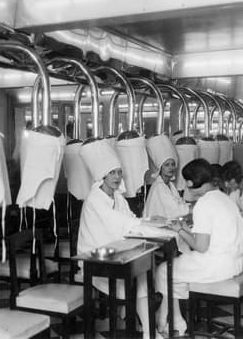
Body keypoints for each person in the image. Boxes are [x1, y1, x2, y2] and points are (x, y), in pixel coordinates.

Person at [78, 138, 167, 339]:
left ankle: (148, 331)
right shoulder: (94, 200)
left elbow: (130, 220)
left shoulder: (117, 196)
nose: (117, 177)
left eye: (119, 172)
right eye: (112, 173)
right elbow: (122, 224)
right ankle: (145, 327)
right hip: (95, 259)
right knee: (138, 277)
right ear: (102, 176)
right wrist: (153, 226)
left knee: (142, 275)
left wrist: (151, 220)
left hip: (117, 252)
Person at [155, 158, 243, 336]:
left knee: (163, 270)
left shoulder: (204, 204)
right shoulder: (223, 197)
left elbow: (201, 246)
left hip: (215, 266)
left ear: (192, 183)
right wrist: (182, 229)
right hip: (234, 262)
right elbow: (206, 238)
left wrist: (181, 231)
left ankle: (167, 321)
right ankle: (176, 320)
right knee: (176, 269)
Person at [144, 135, 190, 251]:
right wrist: (194, 206)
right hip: (157, 231)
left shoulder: (170, 185)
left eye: (173, 164)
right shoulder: (159, 187)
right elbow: (175, 211)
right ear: (161, 167)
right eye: (167, 165)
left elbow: (178, 205)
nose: (171, 168)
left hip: (167, 226)